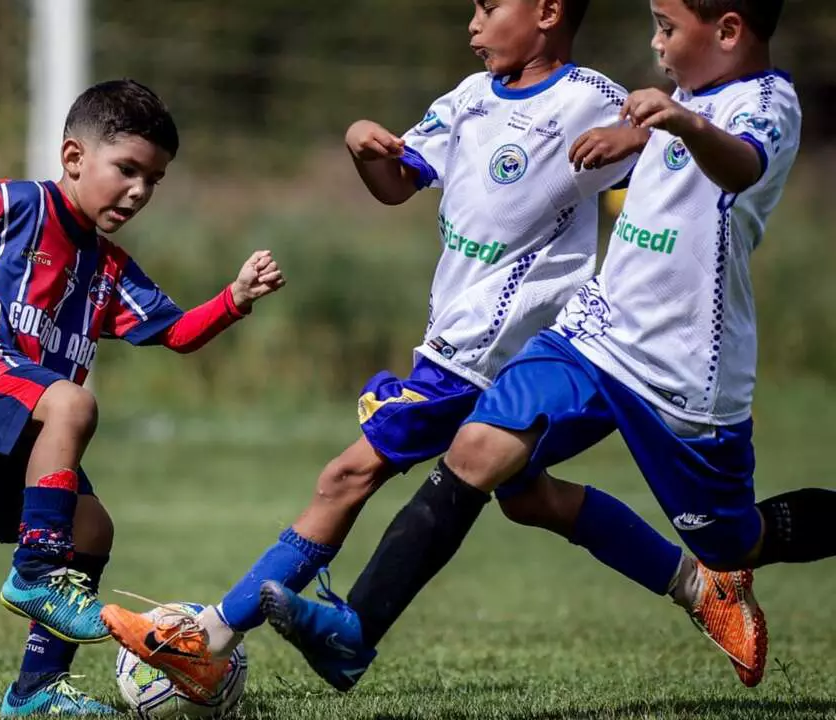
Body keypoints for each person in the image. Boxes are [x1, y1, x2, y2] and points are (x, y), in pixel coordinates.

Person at [100, 0, 717, 701]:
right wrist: (365, 149)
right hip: (455, 347)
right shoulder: (467, 100)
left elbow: (675, 125)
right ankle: (696, 583)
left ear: (548, 11)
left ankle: (209, 638)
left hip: (487, 358)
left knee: (346, 476)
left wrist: (629, 139)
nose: (473, 23)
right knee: (530, 499)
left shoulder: (591, 98)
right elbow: (399, 183)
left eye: (491, 6)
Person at [262, 0, 827, 693]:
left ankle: (715, 577)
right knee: (476, 451)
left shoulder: (768, 102)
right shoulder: (687, 96)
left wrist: (672, 122)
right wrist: (639, 138)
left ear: (731, 31)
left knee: (733, 541)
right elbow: (672, 149)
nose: (655, 43)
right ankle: (354, 633)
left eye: (668, 28)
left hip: (685, 373)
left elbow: (739, 166)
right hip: (593, 333)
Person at [0, 78, 285, 716]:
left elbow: (177, 331)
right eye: (128, 169)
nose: (139, 191)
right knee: (73, 404)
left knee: (94, 528)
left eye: (154, 180)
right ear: (74, 158)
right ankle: (36, 574)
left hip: (27, 415)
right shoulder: (15, 206)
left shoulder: (109, 268)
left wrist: (234, 299)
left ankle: (34, 693)